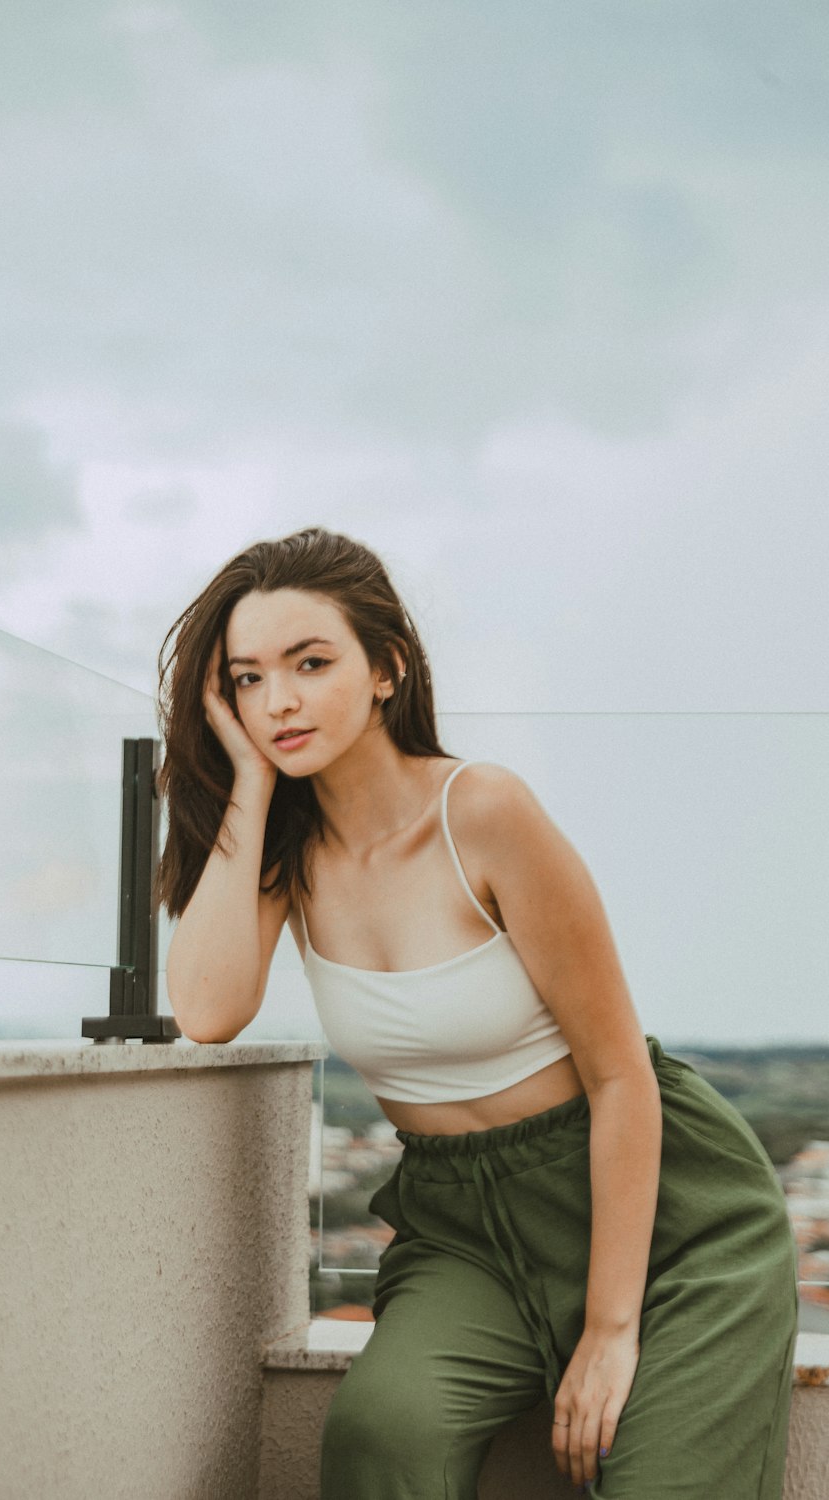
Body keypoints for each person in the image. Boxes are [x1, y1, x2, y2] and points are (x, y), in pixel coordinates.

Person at [156, 526, 799, 1498]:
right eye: (246, 680)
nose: (277, 700)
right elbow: (207, 1012)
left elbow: (622, 1075)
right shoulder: (287, 853)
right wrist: (247, 783)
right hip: (461, 1229)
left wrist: (611, 1330)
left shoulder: (483, 811)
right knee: (380, 1436)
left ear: (386, 671)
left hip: (661, 1219)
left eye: (310, 662)